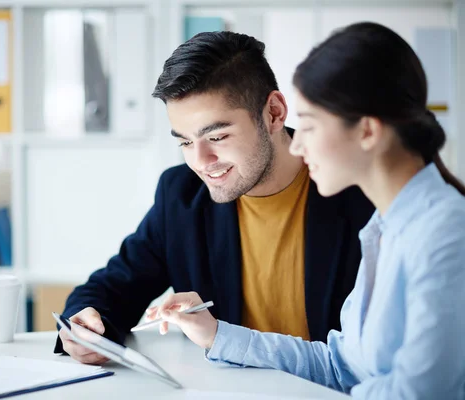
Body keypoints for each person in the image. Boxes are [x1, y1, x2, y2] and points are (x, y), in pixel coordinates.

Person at [150, 22, 465, 399]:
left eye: (311, 127)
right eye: (186, 141)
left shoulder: (446, 233)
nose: (297, 148)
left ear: (367, 131)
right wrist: (216, 335)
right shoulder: (385, 227)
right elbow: (341, 367)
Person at [54, 31, 374, 365]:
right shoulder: (181, 196)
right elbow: (111, 289)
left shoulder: (355, 189)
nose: (201, 162)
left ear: (274, 113)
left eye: (217, 136)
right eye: (185, 142)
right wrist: (86, 324)